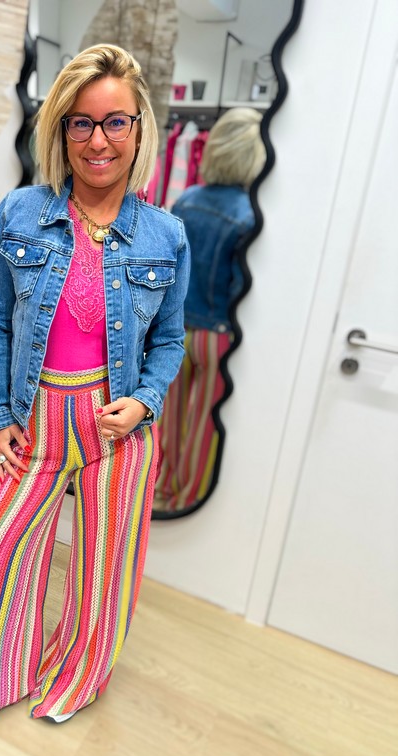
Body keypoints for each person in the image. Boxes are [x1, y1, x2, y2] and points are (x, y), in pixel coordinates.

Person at [0, 44, 190, 723]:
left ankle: (77, 678)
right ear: (60, 129)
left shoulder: (166, 235)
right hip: (38, 418)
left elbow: (170, 340)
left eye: (114, 121)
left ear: (138, 128)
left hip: (118, 427)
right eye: (81, 122)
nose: (98, 140)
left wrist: (145, 401)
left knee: (104, 572)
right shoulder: (21, 214)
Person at [153, 107, 265, 513]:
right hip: (217, 334)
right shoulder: (250, 215)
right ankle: (188, 499)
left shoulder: (187, 200)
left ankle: (164, 488)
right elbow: (240, 288)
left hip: (178, 330)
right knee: (203, 423)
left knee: (171, 417)